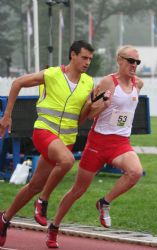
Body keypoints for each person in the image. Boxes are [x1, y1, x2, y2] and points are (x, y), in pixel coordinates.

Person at [43, 45, 144, 248]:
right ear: (120, 60)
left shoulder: (138, 84)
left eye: (137, 62)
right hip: (98, 143)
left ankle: (104, 202)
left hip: (121, 143)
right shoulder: (108, 82)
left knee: (135, 172)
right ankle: (54, 226)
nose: (134, 66)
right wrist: (103, 104)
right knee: (78, 190)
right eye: (131, 61)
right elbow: (90, 113)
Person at [0, 40, 95, 247]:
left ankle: (4, 219)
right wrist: (7, 116)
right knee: (68, 161)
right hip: (44, 131)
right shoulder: (52, 74)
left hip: (66, 139)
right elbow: (17, 83)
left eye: (90, 59)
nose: (87, 62)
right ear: (72, 55)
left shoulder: (88, 83)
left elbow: (80, 119)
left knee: (34, 184)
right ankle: (42, 201)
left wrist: (94, 106)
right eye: (84, 57)